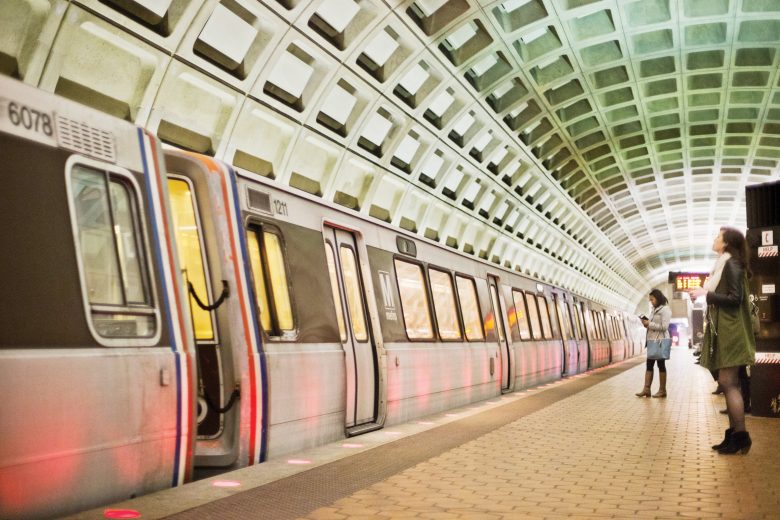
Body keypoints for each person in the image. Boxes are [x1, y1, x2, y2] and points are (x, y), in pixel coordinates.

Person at [690, 227, 756, 455]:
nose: (715, 239)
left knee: (728, 382)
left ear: (726, 243)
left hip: (733, 331)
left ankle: (741, 437)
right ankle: (734, 434)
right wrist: (705, 294)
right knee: (730, 383)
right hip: (726, 329)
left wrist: (705, 295)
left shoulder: (732, 264)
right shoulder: (724, 264)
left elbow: (735, 299)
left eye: (718, 236)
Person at [635, 289, 672, 398]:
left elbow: (664, 327)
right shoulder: (654, 310)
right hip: (652, 341)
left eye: (652, 299)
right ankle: (646, 389)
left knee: (661, 365)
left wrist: (649, 324)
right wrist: (646, 323)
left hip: (660, 341)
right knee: (649, 364)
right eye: (650, 300)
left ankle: (662, 390)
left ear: (658, 298)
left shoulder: (665, 310)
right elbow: (652, 324)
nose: (651, 302)